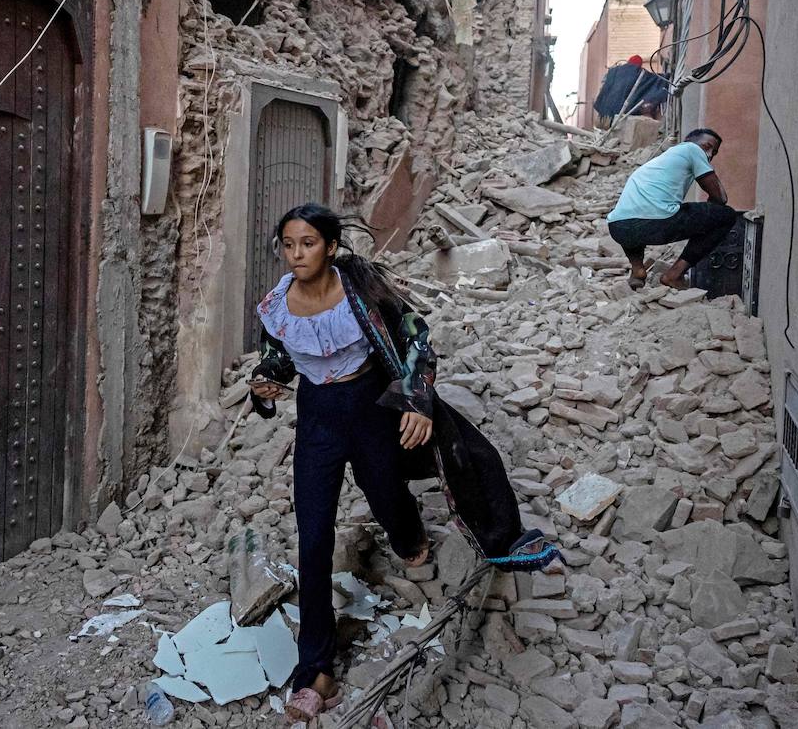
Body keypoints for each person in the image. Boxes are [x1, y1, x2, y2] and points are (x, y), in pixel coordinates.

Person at [249, 204, 560, 724]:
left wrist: (416, 401)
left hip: (371, 407)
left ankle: (409, 536)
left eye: (307, 243)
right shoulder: (276, 305)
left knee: (385, 487)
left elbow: (417, 339)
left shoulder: (364, 295)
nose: (296, 254)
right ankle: (315, 670)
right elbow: (276, 358)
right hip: (318, 421)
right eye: (288, 244)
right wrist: (266, 382)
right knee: (314, 534)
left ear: (328, 246)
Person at [607, 128, 738, 290]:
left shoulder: (659, 161)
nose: (710, 155)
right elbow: (721, 198)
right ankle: (674, 274)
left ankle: (638, 270)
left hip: (617, 227)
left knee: (638, 216)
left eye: (714, 152)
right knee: (726, 216)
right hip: (655, 223)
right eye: (707, 147)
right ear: (689, 141)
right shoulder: (691, 149)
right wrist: (712, 210)